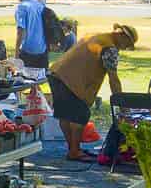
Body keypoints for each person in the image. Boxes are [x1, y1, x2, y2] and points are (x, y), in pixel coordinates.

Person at [47, 23, 138, 161]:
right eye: (128, 43)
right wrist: (121, 103)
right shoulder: (109, 48)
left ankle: (73, 149)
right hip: (73, 80)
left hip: (57, 73)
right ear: (121, 35)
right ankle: (74, 151)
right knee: (80, 115)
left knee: (64, 115)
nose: (126, 47)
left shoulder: (96, 35)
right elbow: (113, 79)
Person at [13, 0, 48, 69]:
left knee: (24, 79)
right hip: (42, 49)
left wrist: (16, 55)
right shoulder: (39, 5)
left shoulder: (22, 7)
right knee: (38, 78)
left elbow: (21, 32)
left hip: (28, 51)